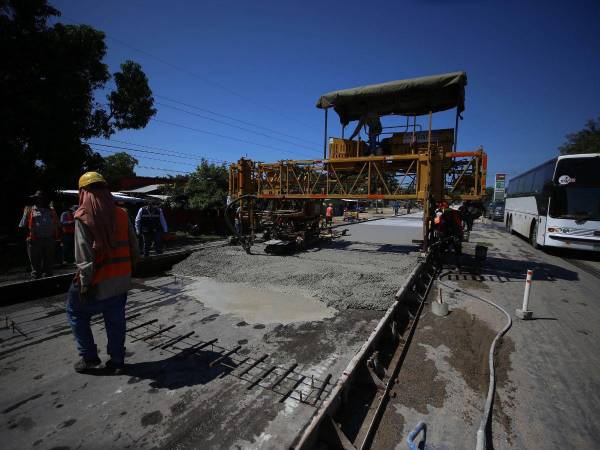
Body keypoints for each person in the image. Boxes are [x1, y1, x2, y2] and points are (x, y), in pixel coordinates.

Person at [67, 171, 139, 374]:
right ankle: (117, 361)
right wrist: (128, 273)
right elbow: (134, 248)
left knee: (76, 313)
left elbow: (84, 257)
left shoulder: (83, 216)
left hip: (97, 281)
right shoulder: (122, 214)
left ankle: (89, 357)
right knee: (115, 321)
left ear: (83, 191)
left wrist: (84, 285)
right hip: (120, 281)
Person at [19, 190, 59, 278]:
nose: (40, 200)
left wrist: (56, 238)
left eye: (42, 198)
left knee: (49, 265)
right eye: (38, 198)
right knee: (35, 266)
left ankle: (48, 282)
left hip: (49, 239)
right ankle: (36, 282)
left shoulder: (52, 210)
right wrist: (28, 237)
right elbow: (23, 225)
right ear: (35, 199)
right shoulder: (29, 209)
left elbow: (56, 224)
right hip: (35, 240)